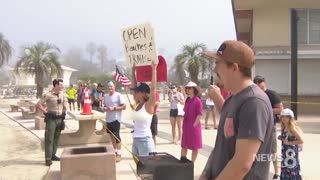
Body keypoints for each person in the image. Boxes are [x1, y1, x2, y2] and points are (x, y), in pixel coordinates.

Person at [200, 40, 273, 179]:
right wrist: (205, 175)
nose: (215, 70)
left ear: (234, 67)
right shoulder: (232, 99)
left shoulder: (254, 102)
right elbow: (221, 148)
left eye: (218, 64)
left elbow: (242, 165)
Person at [254, 75, 284, 179]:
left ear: (264, 82)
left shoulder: (271, 94)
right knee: (256, 149)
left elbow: (280, 109)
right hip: (257, 126)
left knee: (272, 150)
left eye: (260, 81)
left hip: (270, 126)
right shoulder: (254, 94)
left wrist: (266, 110)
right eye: (256, 82)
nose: (258, 84)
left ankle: (277, 172)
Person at [36, 79, 68, 166]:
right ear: (55, 85)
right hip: (51, 120)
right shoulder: (48, 95)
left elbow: (65, 102)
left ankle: (53, 155)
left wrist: (65, 107)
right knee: (49, 139)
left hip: (60, 119)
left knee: (56, 138)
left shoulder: (62, 94)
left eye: (62, 85)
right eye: (60, 85)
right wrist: (45, 112)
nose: (62, 86)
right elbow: (38, 104)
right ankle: (48, 159)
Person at [130, 62, 157, 157]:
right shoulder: (138, 104)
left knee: (147, 170)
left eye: (137, 91)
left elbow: (153, 88)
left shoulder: (148, 106)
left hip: (145, 140)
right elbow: (133, 87)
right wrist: (133, 71)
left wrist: (154, 70)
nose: (135, 93)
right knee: (139, 169)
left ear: (143, 93)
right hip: (136, 140)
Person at [103, 81, 126, 162]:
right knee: (111, 136)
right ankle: (115, 152)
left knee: (117, 137)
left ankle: (119, 154)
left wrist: (115, 108)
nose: (110, 88)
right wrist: (105, 108)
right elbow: (104, 106)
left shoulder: (118, 95)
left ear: (114, 87)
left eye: (111, 86)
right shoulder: (106, 96)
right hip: (108, 119)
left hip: (116, 119)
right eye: (108, 87)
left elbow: (124, 106)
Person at [180, 81, 203, 163]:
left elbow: (199, 114)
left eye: (189, 88)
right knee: (184, 144)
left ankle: (192, 163)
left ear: (194, 89)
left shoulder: (198, 101)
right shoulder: (188, 100)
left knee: (195, 146)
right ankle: (183, 161)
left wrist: (194, 125)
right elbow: (185, 110)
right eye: (187, 88)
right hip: (186, 125)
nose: (188, 89)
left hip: (194, 127)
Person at [278, 108, 303, 180]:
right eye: (282, 116)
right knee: (285, 168)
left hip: (291, 153)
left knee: (291, 169)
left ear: (290, 118)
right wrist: (281, 138)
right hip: (285, 152)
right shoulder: (284, 127)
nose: (284, 118)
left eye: (287, 116)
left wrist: (289, 143)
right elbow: (287, 138)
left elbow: (301, 140)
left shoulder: (292, 128)